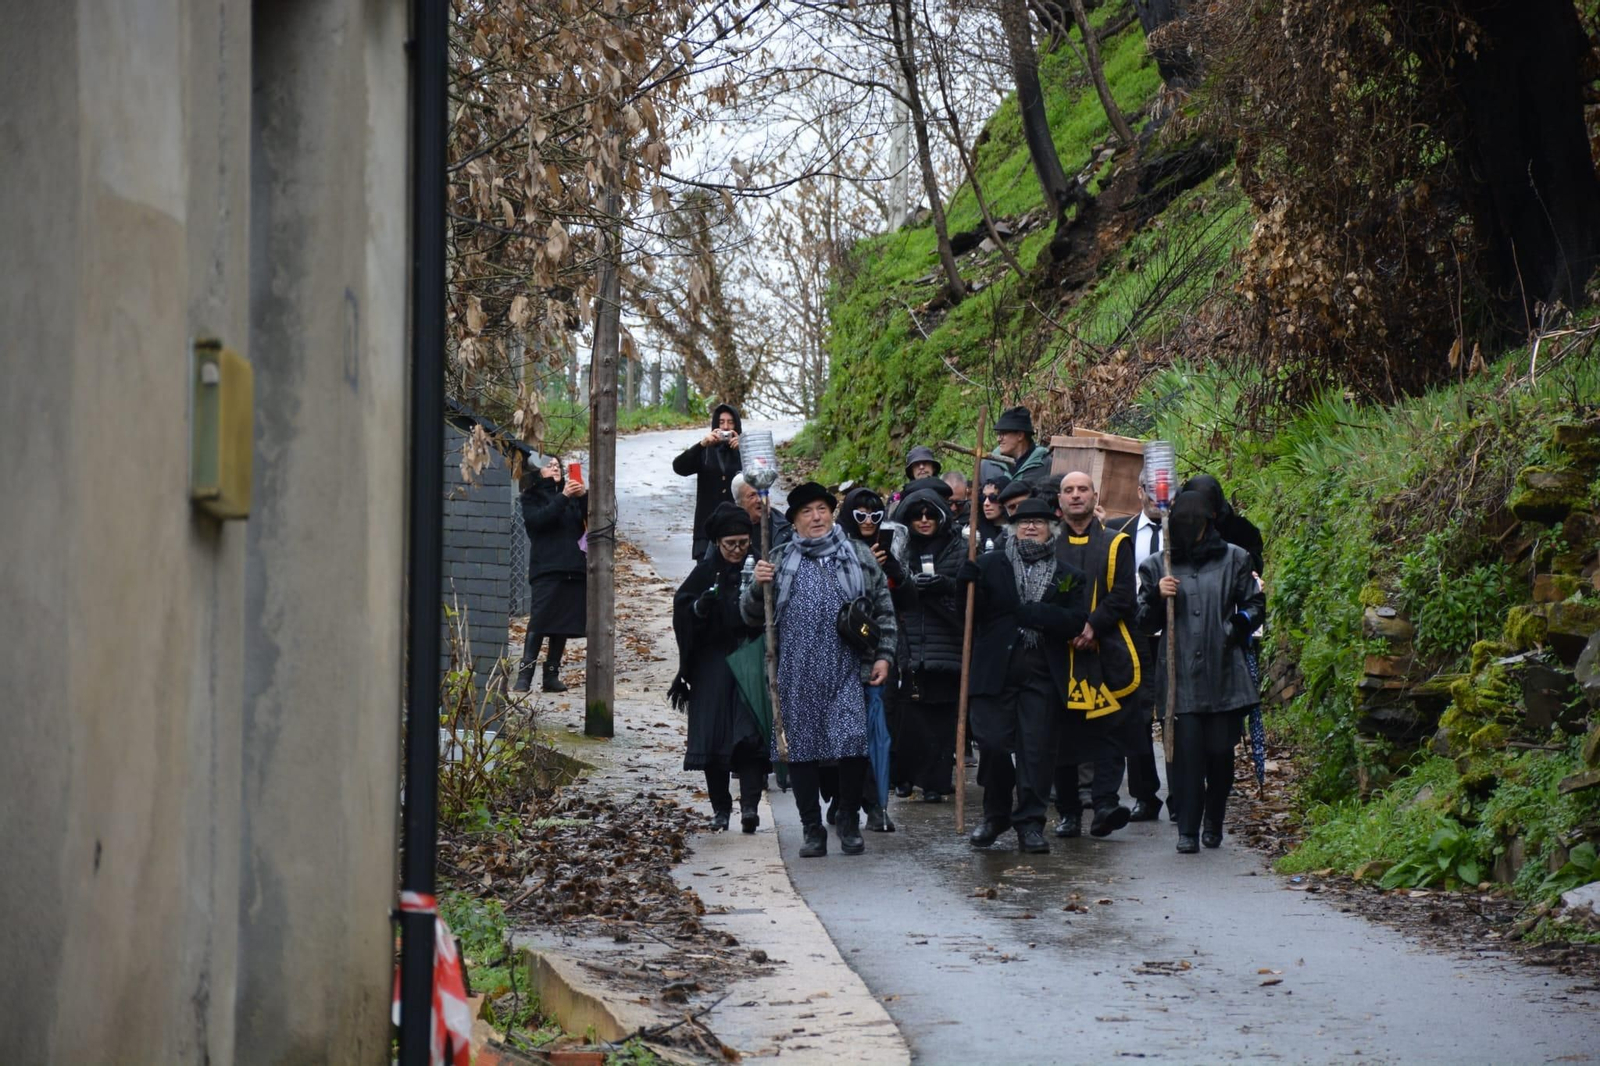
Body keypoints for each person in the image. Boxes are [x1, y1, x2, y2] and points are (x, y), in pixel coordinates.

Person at [743, 483, 898, 858]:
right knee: (801, 751)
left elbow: (883, 609)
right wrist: (757, 586)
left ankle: (848, 818)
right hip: (795, 671)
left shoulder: (858, 555)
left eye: (822, 509)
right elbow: (749, 616)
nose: (816, 517)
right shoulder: (778, 560)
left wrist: (884, 656)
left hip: (847, 668)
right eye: (807, 512)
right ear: (794, 521)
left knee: (852, 744)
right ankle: (812, 828)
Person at [1136, 491, 1265, 852]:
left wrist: (1234, 626)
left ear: (1208, 523)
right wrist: (1157, 596)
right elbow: (1143, 621)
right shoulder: (1157, 565)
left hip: (1225, 672)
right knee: (1187, 756)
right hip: (1180, 677)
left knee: (1220, 753)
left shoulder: (1235, 558)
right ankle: (1188, 830)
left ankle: (1214, 820)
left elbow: (1255, 604)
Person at [959, 498, 1089, 852]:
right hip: (993, 673)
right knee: (991, 745)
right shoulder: (988, 564)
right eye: (1023, 522)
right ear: (1013, 529)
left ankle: (1031, 823)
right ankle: (995, 814)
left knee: (1036, 752)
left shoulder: (1068, 575)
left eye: (1039, 522)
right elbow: (968, 615)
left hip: (1042, 674)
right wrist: (963, 583)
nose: (1030, 527)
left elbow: (1075, 621)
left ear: (1053, 530)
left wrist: (1034, 613)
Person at [1051, 470, 1140, 838]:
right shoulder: (1049, 545)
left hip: (1106, 651)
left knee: (1109, 732)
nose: (1076, 495)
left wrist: (1092, 626)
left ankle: (1105, 804)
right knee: (1062, 736)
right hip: (1061, 653)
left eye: (1082, 489)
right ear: (1059, 500)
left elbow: (1123, 594)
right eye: (1068, 490)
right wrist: (1069, 628)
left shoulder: (1117, 543)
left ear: (1094, 496)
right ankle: (1069, 812)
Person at [672, 503, 770, 832]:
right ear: (717, 543)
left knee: (750, 735)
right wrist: (699, 609)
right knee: (713, 737)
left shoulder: (759, 566)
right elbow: (682, 607)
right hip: (712, 662)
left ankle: (750, 807)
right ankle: (721, 809)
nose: (737, 551)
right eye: (730, 544)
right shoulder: (705, 571)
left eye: (743, 543)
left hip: (749, 657)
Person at [889, 485, 967, 803]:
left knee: (941, 718)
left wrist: (944, 585)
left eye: (929, 515)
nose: (923, 520)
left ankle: (936, 782)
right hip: (909, 643)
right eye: (917, 516)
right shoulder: (900, 549)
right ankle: (905, 777)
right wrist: (908, 586)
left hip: (946, 643)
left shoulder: (959, 549)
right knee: (909, 717)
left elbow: (969, 596)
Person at [1101, 469, 1167, 822]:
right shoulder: (1118, 532)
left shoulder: (1186, 532)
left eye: (1165, 490)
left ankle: (1183, 792)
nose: (1158, 497)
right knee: (1136, 715)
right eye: (1151, 490)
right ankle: (1145, 794)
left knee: (1174, 714)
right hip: (1133, 635)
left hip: (1173, 634)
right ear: (1139, 492)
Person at [837, 486, 904, 824]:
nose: (867, 520)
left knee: (874, 735)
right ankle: (841, 799)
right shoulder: (833, 549)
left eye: (875, 514)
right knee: (838, 737)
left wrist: (891, 568)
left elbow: (894, 606)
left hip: (873, 658)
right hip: (835, 659)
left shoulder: (888, 549)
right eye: (860, 514)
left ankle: (874, 804)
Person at [514, 457, 588, 693]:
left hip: (574, 567)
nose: (556, 467)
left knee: (562, 623)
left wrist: (583, 496)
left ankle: (551, 675)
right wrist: (563, 496)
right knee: (540, 620)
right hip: (547, 568)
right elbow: (539, 521)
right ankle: (525, 675)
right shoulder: (531, 497)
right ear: (537, 471)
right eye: (549, 465)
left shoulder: (573, 496)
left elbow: (592, 522)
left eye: (558, 465)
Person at [673, 404, 743, 560]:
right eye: (721, 422)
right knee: (705, 569)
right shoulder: (705, 451)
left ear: (737, 425)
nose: (726, 427)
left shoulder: (743, 450)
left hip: (736, 527)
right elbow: (679, 467)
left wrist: (744, 449)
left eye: (730, 422)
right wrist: (701, 445)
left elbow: (759, 476)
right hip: (706, 526)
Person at [993, 406, 1054, 492]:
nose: (998, 439)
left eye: (1003, 433)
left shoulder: (1046, 465)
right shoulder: (988, 465)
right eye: (998, 434)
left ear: (1020, 435)